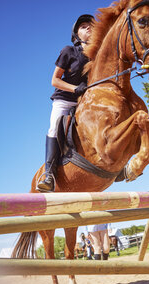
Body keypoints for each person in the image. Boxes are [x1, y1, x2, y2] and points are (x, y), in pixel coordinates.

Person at [37, 14, 93, 192]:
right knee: (54, 128)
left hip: (84, 103)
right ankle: (49, 174)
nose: (89, 28)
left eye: (91, 25)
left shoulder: (97, 56)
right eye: (84, 26)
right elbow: (54, 80)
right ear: (76, 34)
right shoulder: (68, 51)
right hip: (64, 100)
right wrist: (75, 88)